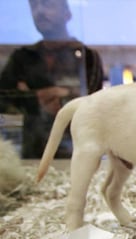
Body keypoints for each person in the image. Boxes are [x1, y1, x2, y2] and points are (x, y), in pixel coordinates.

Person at [0, 0, 103, 158]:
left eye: (47, 4)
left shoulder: (87, 57)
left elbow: (90, 103)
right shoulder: (22, 57)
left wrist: (29, 95)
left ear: (66, 13)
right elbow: (3, 99)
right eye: (34, 6)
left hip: (76, 152)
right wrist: (49, 95)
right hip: (33, 155)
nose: (39, 11)